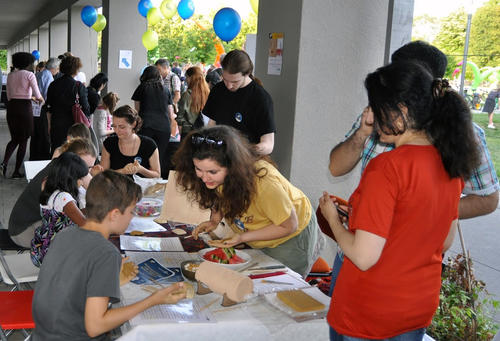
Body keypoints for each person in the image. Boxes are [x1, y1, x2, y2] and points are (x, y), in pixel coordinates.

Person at [320, 60, 479, 339]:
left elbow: (363, 256)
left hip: (370, 309)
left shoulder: (387, 167)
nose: (372, 114)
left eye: (377, 108)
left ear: (400, 112)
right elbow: (443, 241)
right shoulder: (451, 163)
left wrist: (333, 219)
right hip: (416, 306)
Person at [327, 41, 500, 298]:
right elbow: (336, 167)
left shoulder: (462, 134)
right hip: (357, 254)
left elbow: (488, 200)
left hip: (407, 267)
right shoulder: (378, 119)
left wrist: (419, 213)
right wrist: (363, 132)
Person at [32, 170, 187, 340]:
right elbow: (95, 326)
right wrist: (153, 300)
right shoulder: (106, 253)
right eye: (131, 211)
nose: (132, 217)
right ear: (114, 214)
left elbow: (72, 286)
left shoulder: (65, 234)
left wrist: (113, 280)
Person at [176, 126, 320, 278]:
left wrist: (242, 237)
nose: (204, 178)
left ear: (233, 167)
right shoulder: (219, 177)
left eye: (212, 172)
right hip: (261, 229)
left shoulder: (264, 183)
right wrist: (214, 220)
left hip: (290, 237)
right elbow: (220, 194)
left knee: (280, 284)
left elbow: (289, 225)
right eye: (198, 169)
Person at [8, 138, 99, 248]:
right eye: (84, 166)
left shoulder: (60, 168)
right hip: (23, 231)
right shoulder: (60, 191)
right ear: (71, 159)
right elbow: (83, 222)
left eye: (90, 167)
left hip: (27, 224)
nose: (86, 172)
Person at [203, 49, 276, 155]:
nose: (229, 85)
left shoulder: (261, 98)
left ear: (247, 74)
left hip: (247, 160)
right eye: (225, 79)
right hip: (218, 156)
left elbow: (268, 144)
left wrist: (247, 150)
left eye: (235, 81)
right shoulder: (218, 90)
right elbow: (211, 124)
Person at [30, 152, 88, 266]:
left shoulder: (47, 183)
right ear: (70, 178)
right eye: (80, 178)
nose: (82, 181)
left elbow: (68, 213)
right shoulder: (64, 198)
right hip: (53, 255)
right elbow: (85, 225)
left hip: (41, 246)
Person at [1, 52, 44, 178]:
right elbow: (38, 94)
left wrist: (28, 97)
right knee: (24, 140)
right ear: (28, 63)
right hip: (25, 109)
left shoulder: (10, 75)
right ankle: (16, 171)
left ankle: (4, 163)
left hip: (12, 108)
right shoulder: (30, 75)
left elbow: (9, 96)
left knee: (15, 138)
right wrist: (41, 100)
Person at [132, 65, 174, 178]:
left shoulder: (142, 87)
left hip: (146, 126)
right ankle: (157, 184)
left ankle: (143, 181)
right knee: (159, 157)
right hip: (164, 128)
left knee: (144, 156)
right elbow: (170, 113)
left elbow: (137, 110)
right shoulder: (166, 89)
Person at [101, 105, 161, 178]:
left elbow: (157, 175)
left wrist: (141, 169)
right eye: (114, 126)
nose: (116, 130)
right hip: (115, 187)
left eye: (121, 127)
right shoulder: (109, 143)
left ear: (133, 124)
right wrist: (122, 171)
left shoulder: (149, 145)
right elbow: (103, 175)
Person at [46, 55, 90, 152]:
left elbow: (48, 108)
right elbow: (86, 108)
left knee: (57, 150)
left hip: (56, 124)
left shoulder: (53, 85)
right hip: (74, 125)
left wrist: (49, 125)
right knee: (73, 151)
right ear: (76, 69)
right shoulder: (78, 86)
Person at [176, 66, 210, 138]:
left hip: (188, 131)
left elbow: (180, 117)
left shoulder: (187, 95)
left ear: (191, 78)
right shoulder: (208, 93)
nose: (186, 80)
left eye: (187, 77)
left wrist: (180, 131)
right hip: (204, 131)